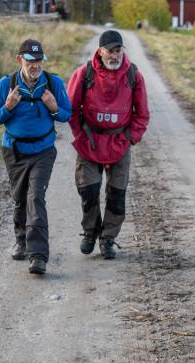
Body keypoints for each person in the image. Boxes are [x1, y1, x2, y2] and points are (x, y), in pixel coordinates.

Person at [0, 39, 72, 275]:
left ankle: (38, 255)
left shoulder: (53, 83)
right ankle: (21, 241)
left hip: (43, 151)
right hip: (14, 151)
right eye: (30, 61)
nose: (35, 66)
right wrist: (9, 107)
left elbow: (67, 114)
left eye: (38, 61)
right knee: (20, 197)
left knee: (35, 197)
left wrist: (54, 107)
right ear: (19, 60)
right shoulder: (7, 84)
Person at [67, 30, 150, 259]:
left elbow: (142, 114)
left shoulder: (134, 75)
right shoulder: (84, 73)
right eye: (109, 51)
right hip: (90, 141)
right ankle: (90, 233)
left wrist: (131, 138)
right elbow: (71, 109)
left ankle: (108, 239)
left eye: (117, 51)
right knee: (88, 190)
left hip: (119, 142)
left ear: (122, 51)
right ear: (100, 51)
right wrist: (79, 135)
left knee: (117, 195)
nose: (114, 56)